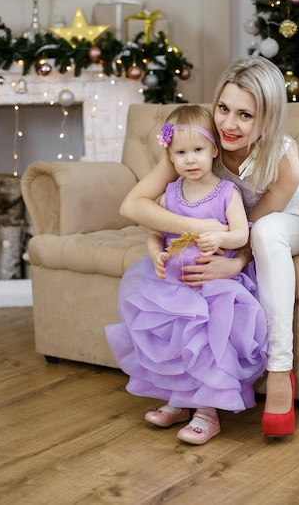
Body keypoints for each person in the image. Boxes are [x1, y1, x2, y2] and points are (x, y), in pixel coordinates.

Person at [120, 56, 299, 438]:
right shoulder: (200, 144)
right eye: (223, 108)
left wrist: (235, 264)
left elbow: (255, 226)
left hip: (297, 223)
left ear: (267, 119)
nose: (229, 124)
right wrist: (197, 227)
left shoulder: (284, 160)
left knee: (266, 231)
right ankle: (183, 394)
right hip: (237, 228)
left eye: (245, 115)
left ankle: (281, 370)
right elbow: (132, 205)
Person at [106, 104, 268, 445]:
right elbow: (154, 231)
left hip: (214, 287)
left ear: (213, 149)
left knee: (208, 347)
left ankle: (207, 412)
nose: (190, 160)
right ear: (170, 156)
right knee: (177, 346)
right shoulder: (170, 194)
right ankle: (180, 402)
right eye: (180, 153)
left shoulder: (226, 192)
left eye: (197, 150)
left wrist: (221, 237)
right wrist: (155, 253)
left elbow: (242, 234)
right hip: (174, 286)